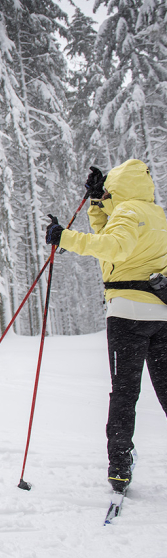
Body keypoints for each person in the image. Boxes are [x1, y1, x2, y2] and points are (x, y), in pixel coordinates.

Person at [45, 159, 167, 493]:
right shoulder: (156, 214)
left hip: (128, 315)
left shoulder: (127, 213)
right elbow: (108, 236)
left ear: (121, 189)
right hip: (161, 316)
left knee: (126, 393)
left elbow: (113, 247)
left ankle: (120, 465)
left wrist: (64, 237)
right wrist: (98, 201)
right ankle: (121, 463)